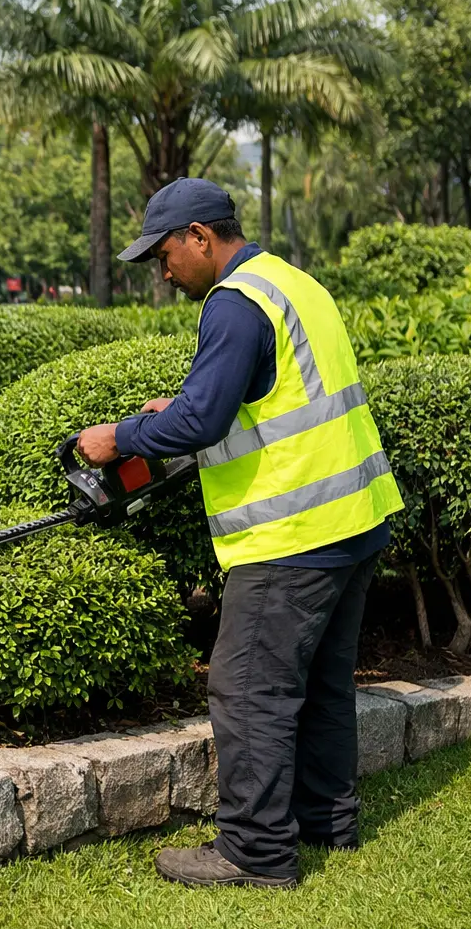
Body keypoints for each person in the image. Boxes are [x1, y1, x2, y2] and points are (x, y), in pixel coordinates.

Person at [76, 179, 403, 889]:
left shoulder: (233, 302)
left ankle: (254, 852)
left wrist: (119, 437)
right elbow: (267, 393)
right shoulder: (290, 281)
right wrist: (189, 403)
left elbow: (201, 425)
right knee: (318, 683)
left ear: (199, 236)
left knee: (248, 687)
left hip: (293, 535)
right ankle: (328, 822)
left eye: (164, 255)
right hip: (355, 518)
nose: (163, 273)